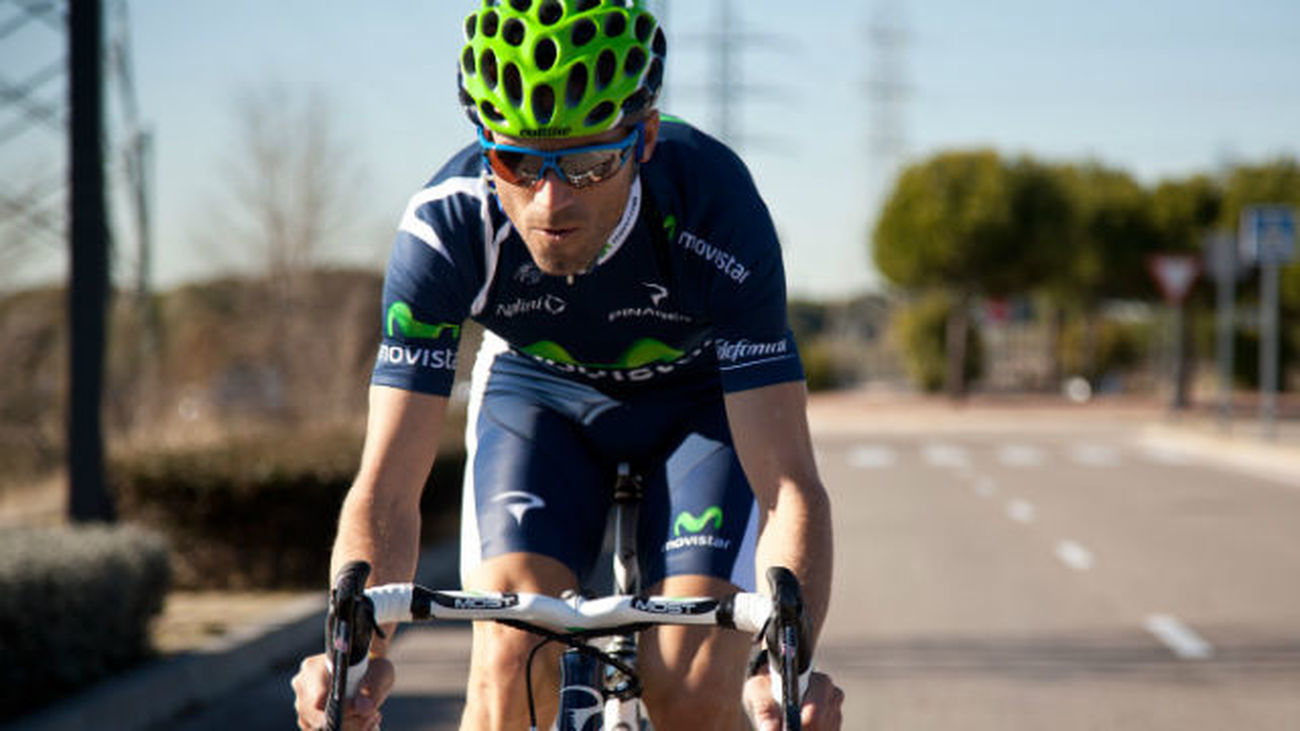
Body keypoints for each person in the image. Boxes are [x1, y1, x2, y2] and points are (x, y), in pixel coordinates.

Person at [292, 1, 843, 728]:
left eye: (587, 163)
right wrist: (355, 658)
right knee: (508, 664)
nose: (551, 201)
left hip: (698, 403)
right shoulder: (446, 228)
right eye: (518, 161)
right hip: (538, 395)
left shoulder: (718, 210)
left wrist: (784, 669)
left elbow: (788, 486)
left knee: (692, 687)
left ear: (645, 138)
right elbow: (388, 487)